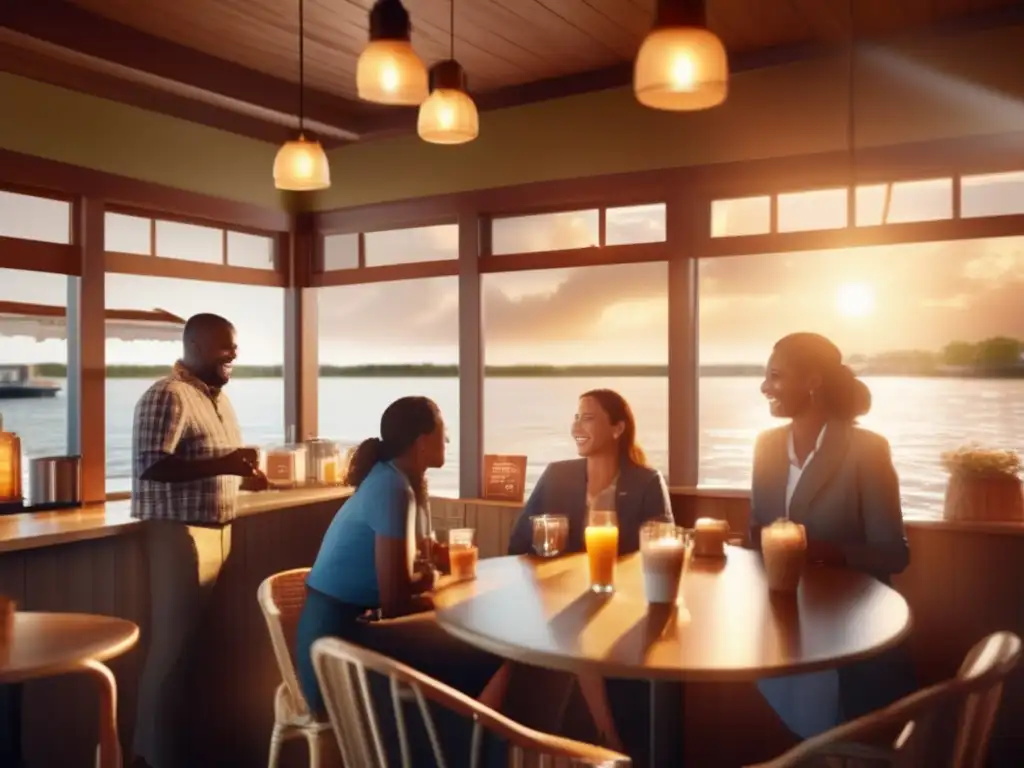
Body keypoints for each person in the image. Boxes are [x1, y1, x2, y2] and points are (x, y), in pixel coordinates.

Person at [296, 396, 508, 761]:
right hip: (337, 655)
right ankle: (475, 749)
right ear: (422, 441)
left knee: (476, 650)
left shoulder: (396, 481)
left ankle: (472, 742)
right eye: (443, 433)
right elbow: (394, 603)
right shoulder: (392, 489)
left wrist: (431, 574)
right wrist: (431, 591)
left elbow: (410, 565)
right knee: (491, 657)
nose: (448, 442)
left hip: (347, 634)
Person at [750, 332, 914, 739]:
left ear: (813, 381)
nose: (764, 387)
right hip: (782, 622)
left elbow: (893, 555)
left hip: (850, 631)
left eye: (775, 376)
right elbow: (758, 535)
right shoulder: (767, 446)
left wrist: (821, 552)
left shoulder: (866, 449)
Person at [131, 313, 268, 768]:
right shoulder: (166, 395)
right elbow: (151, 466)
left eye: (234, 345)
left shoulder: (215, 399)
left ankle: (191, 751)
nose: (233, 353)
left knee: (202, 653)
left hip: (219, 532)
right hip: (179, 535)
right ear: (195, 345)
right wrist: (224, 466)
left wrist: (244, 476)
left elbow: (214, 463)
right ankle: (150, 757)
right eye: (224, 346)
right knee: (171, 653)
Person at [506, 388, 674, 756]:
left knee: (579, 635)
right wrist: (545, 547)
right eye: (576, 416)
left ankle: (607, 741)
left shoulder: (645, 482)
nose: (577, 425)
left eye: (588, 417)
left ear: (617, 429)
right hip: (558, 595)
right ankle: (608, 742)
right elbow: (518, 544)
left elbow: (661, 549)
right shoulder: (557, 476)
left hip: (622, 603)